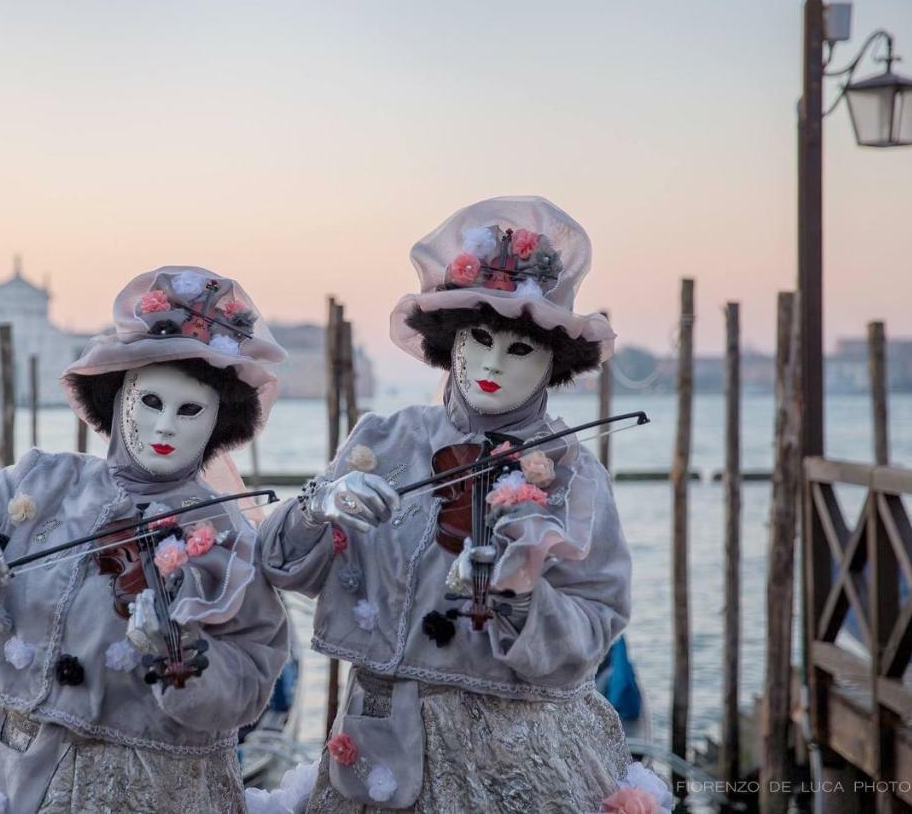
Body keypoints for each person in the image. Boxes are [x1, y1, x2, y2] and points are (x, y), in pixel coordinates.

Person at [260, 197, 639, 813]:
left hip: (513, 761)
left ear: (551, 364)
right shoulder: (382, 443)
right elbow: (280, 567)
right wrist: (318, 507)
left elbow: (593, 629)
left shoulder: (570, 471)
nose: (492, 364)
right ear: (450, 342)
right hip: (375, 749)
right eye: (479, 340)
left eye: (519, 350)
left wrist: (519, 599)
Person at [0, 266, 290, 814]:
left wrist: (180, 654)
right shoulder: (43, 483)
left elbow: (250, 679)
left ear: (217, 424)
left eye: (189, 411)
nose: (164, 428)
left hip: (151, 792)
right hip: (2, 777)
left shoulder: (226, 537)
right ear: (117, 401)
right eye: (150, 403)